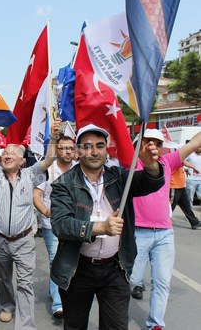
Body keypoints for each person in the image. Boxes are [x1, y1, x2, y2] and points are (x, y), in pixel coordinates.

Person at [50, 124, 164, 330]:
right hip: (77, 269)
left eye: (100, 146)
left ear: (106, 150)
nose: (94, 151)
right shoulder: (63, 183)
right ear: (78, 151)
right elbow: (60, 224)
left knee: (116, 326)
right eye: (87, 146)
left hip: (115, 268)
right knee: (74, 326)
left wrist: (150, 166)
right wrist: (100, 228)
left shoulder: (120, 177)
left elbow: (150, 183)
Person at [0, 118, 60, 329]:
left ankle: (25, 324)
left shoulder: (30, 174)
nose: (7, 155)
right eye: (5, 153)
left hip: (24, 241)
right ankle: (7, 306)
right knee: (3, 279)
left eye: (12, 153)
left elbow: (49, 159)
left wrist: (55, 137)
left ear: (22, 160)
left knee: (25, 283)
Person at [130, 129, 201, 330]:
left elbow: (194, 143)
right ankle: (113, 308)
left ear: (163, 148)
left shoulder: (168, 161)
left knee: (162, 282)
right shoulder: (131, 161)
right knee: (132, 279)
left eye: (158, 143)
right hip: (138, 233)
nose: (153, 146)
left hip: (164, 234)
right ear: (141, 144)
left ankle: (156, 324)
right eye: (148, 142)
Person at [33, 135, 76, 320]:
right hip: (53, 226)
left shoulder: (79, 169)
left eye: (70, 148)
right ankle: (59, 303)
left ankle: (66, 293)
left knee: (74, 260)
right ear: (56, 151)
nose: (67, 152)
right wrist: (45, 211)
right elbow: (36, 195)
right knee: (55, 259)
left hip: (74, 225)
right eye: (63, 148)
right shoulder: (48, 170)